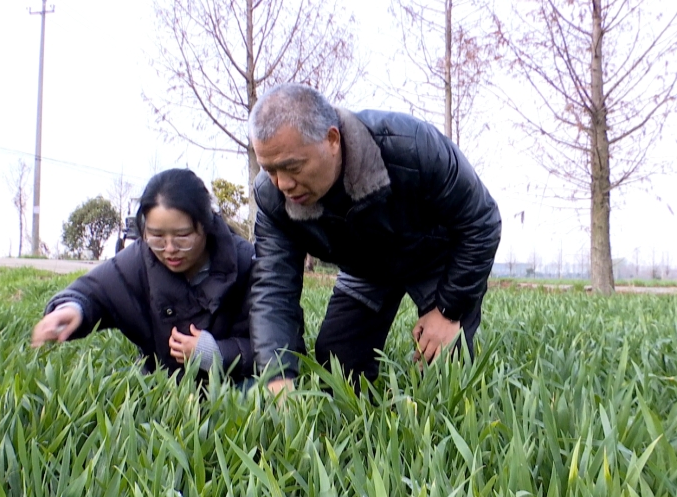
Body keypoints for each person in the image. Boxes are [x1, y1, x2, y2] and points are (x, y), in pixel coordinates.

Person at [247, 83, 502, 393]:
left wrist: (449, 310)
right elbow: (273, 287)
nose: (283, 183)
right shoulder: (272, 197)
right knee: (336, 367)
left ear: (332, 139)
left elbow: (481, 220)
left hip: (434, 257)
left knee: (445, 367)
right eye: (269, 169)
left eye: (292, 167)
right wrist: (277, 375)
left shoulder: (411, 145)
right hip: (365, 270)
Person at [31, 168, 256, 383]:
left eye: (183, 236)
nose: (169, 249)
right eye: (156, 236)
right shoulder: (140, 258)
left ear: (206, 226)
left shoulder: (247, 262)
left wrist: (214, 353)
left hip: (234, 390)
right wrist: (71, 309)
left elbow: (277, 344)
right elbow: (94, 292)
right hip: (161, 389)